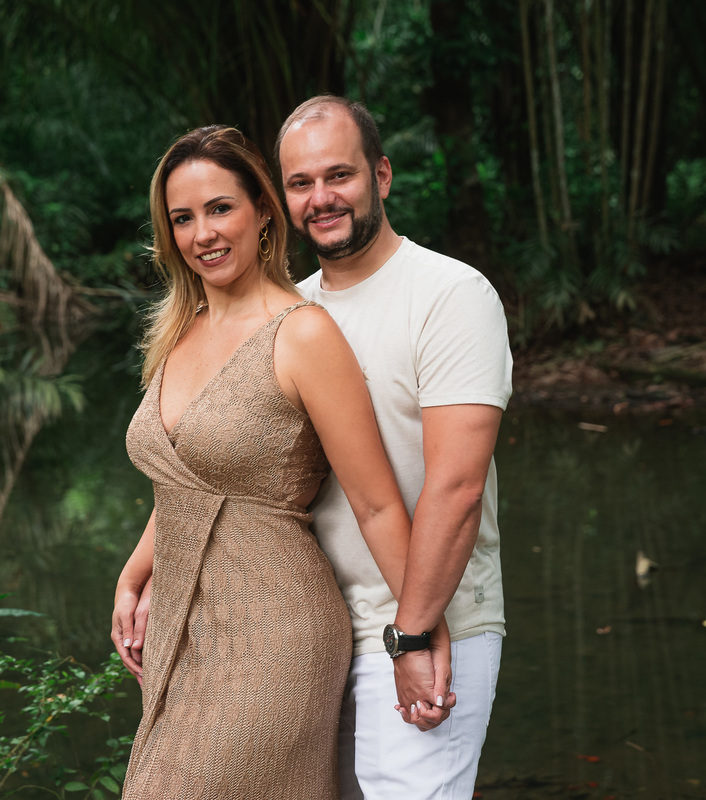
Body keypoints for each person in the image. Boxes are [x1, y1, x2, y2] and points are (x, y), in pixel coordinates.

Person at [109, 125, 448, 800]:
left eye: (219, 208)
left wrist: (419, 633)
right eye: (182, 217)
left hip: (276, 634)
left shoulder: (303, 333)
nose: (202, 232)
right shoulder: (177, 332)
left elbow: (376, 501)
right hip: (186, 624)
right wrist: (132, 576)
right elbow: (186, 487)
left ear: (263, 210)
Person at [275, 96, 513, 799]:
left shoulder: (450, 295)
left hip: (430, 623)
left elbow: (457, 488)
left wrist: (411, 636)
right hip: (313, 633)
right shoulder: (287, 310)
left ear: (381, 175)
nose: (321, 198)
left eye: (338, 175)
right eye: (300, 183)